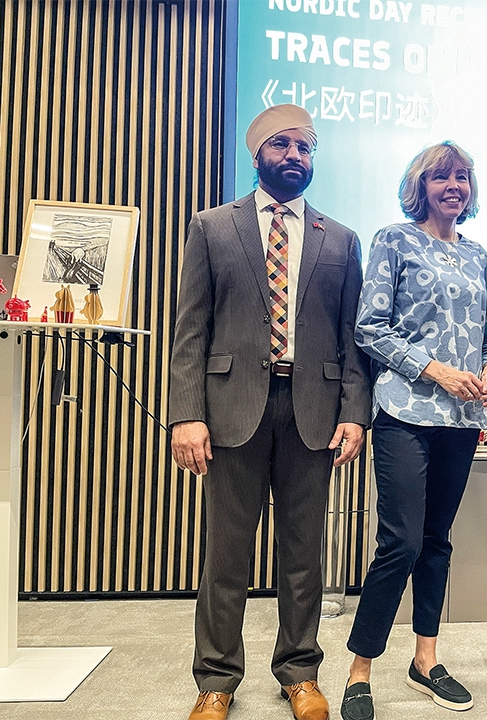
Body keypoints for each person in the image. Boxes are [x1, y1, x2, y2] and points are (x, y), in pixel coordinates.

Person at [168, 104, 372, 720]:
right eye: (281, 146)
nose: (294, 157)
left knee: (303, 554)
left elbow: (352, 338)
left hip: (313, 411)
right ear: (256, 155)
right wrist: (186, 415)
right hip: (230, 411)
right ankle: (217, 680)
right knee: (226, 554)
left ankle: (301, 673)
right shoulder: (212, 227)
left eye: (305, 148)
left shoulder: (340, 238)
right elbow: (190, 331)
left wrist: (355, 413)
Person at [342, 141, 487, 720]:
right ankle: (360, 668)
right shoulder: (393, 239)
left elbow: (486, 336)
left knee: (437, 542)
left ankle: (426, 660)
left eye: (462, 176)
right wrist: (433, 369)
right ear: (421, 185)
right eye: (442, 176)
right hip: (405, 409)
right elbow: (370, 328)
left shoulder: (481, 256)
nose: (453, 185)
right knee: (402, 542)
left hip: (461, 419)